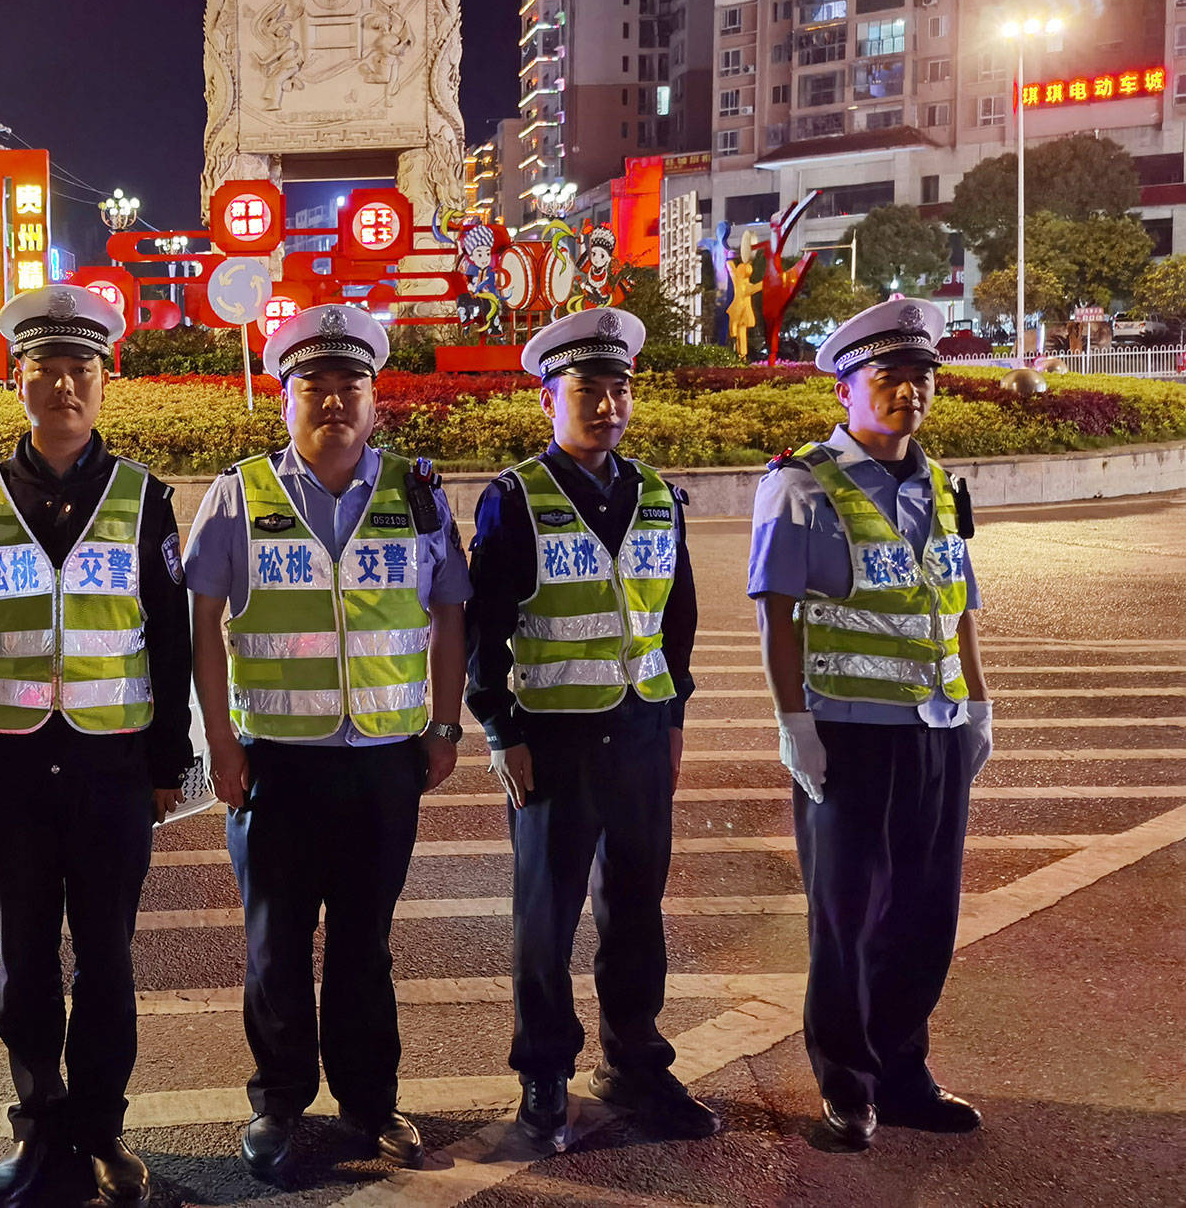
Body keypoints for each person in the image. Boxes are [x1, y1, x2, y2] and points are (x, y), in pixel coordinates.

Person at [183, 303, 471, 1185]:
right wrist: (219, 746)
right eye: (316, 386)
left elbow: (449, 608)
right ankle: (277, 1104)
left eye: (352, 385)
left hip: (384, 759)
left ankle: (368, 1101)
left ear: (376, 400)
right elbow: (202, 627)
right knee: (274, 942)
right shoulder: (240, 493)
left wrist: (446, 722)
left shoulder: (415, 492)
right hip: (276, 760)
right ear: (286, 399)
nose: (335, 401)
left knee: (364, 943)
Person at [0, 285, 194, 1208]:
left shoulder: (144, 499)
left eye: (83, 368)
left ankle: (103, 1130)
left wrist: (170, 761)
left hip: (111, 769)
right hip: (6, 771)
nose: (66, 386)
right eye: (47, 369)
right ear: (20, 381)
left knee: (109, 962)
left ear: (104, 381)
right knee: (25, 961)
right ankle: (39, 1129)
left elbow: (168, 635)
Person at [463, 307, 718, 1152]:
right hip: (553, 741)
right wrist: (502, 732)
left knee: (637, 909)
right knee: (546, 916)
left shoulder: (655, 494)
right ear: (548, 400)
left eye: (619, 390)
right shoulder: (516, 500)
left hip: (641, 735)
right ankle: (544, 1071)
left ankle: (636, 1059)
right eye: (587, 390)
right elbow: (482, 629)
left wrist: (674, 711)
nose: (606, 406)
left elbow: (674, 618)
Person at [748, 296, 994, 1150]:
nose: (910, 393)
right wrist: (794, 723)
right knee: (847, 918)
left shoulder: (939, 482)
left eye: (922, 377)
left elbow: (956, 605)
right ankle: (847, 1087)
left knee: (928, 912)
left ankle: (905, 1069)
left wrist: (980, 704)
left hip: (936, 728)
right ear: (847, 389)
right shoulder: (801, 483)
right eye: (888, 377)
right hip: (846, 735)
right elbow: (775, 611)